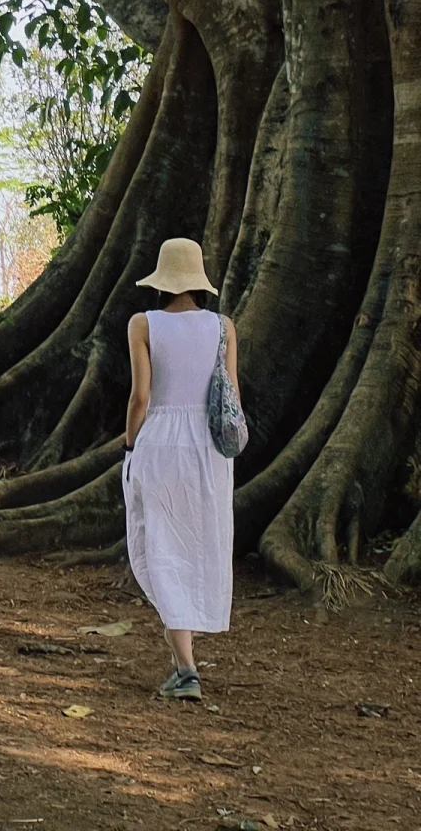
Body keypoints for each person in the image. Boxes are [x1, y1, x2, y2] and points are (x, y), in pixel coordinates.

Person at [122, 237, 240, 702]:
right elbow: (232, 397)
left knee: (161, 545)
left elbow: (141, 398)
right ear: (199, 282)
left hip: (160, 444)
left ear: (161, 280)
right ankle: (184, 665)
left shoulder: (143, 324)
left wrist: (131, 445)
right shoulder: (223, 327)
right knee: (194, 547)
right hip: (209, 451)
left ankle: (186, 667)